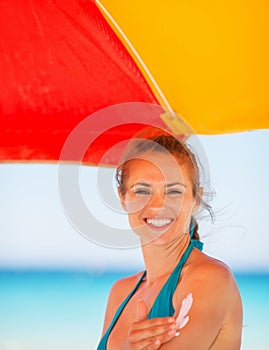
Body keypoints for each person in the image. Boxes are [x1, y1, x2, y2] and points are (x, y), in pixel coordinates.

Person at [97, 128, 243, 349]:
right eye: (143, 191)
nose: (158, 205)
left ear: (196, 198)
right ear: (123, 197)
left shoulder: (211, 280)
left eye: (174, 192)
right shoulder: (120, 292)